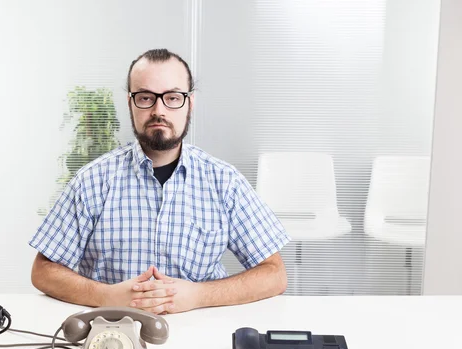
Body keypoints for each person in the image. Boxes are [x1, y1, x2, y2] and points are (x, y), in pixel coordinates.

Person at [29, 49, 291, 314]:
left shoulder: (225, 182)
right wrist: (107, 296)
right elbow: (43, 271)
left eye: (173, 97)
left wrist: (199, 295)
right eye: (145, 97)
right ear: (130, 102)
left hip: (201, 330)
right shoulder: (92, 181)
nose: (159, 110)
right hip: (112, 330)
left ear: (190, 102)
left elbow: (274, 274)